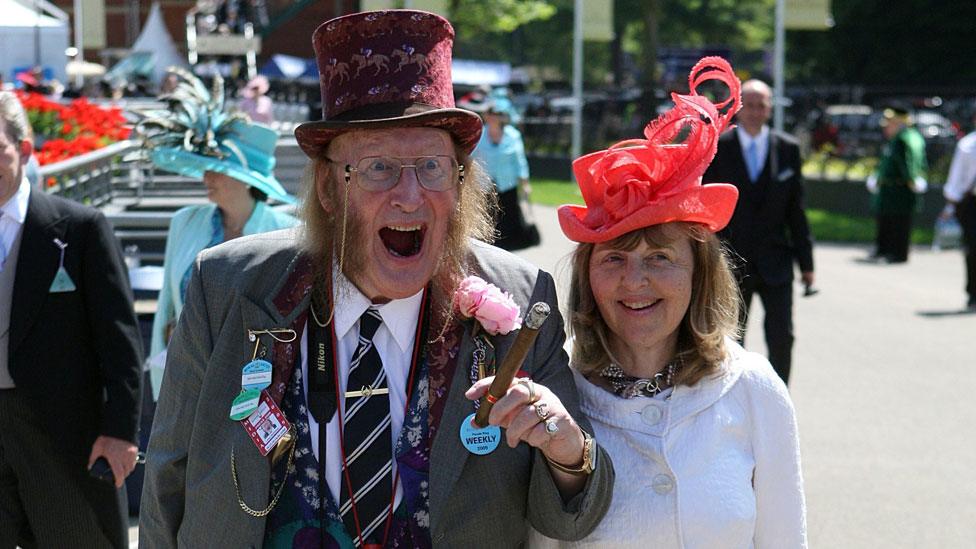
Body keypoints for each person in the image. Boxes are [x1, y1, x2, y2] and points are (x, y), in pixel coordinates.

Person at [140, 10, 613, 548]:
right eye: (378, 168)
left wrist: (569, 453)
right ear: (327, 189)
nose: (410, 195)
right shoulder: (228, 285)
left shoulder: (522, 300)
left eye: (432, 167)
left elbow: (571, 516)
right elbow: (167, 477)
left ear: (460, 185)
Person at [531, 57, 806, 548]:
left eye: (660, 257)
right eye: (614, 257)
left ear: (700, 273)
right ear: (587, 275)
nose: (635, 281)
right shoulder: (556, 393)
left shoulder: (754, 389)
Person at [0, 91, 143, 547]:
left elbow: (120, 342)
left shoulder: (78, 229)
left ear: (23, 151)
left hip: (59, 433)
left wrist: (120, 432)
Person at [141, 68, 298, 399]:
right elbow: (166, 312)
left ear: (245, 179)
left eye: (218, 169)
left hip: (262, 388)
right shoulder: (185, 222)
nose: (206, 176)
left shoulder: (287, 233)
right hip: (188, 382)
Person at [702, 78, 814, 385]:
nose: (754, 111)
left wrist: (807, 265)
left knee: (782, 336)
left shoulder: (787, 149)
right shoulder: (720, 148)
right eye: (748, 105)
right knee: (730, 337)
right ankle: (733, 396)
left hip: (777, 261)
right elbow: (707, 207)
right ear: (739, 109)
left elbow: (796, 210)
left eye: (761, 105)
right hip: (732, 262)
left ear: (769, 109)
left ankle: (779, 397)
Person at [469, 95, 536, 250]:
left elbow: (520, 161)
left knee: (509, 219)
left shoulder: (513, 136)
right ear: (486, 116)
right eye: (490, 113)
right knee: (488, 219)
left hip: (508, 184)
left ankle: (508, 251)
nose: (493, 117)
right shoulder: (478, 135)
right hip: (485, 186)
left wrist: (525, 183)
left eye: (497, 114)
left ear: (502, 117)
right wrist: (460, 180)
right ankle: (487, 249)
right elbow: (466, 161)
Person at [865, 104, 928, 264]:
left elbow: (909, 164)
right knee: (887, 221)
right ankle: (884, 249)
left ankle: (897, 253)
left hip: (899, 190)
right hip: (889, 188)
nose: (886, 128)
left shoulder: (903, 139)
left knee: (898, 223)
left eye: (890, 124)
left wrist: (912, 179)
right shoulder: (897, 139)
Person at [940, 108, 976, 311]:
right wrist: (950, 205)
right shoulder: (968, 145)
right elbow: (957, 178)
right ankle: (973, 293)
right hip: (971, 204)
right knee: (974, 249)